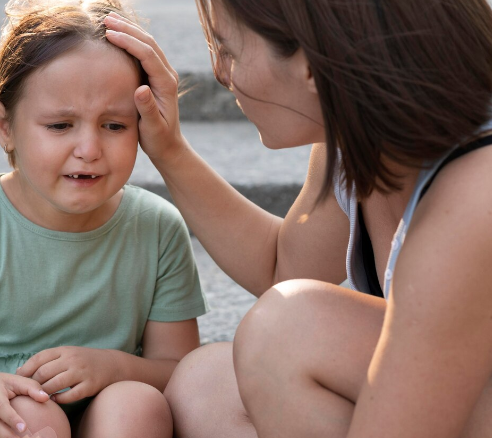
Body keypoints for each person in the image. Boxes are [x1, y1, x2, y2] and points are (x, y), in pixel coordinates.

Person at [105, 0, 492, 437]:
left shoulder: (475, 195)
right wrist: (168, 148)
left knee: (287, 333)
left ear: (310, 65)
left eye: (227, 49)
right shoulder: (357, 140)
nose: (217, 71)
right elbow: (283, 267)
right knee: (205, 386)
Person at [0, 1, 209, 437]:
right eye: (60, 126)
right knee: (27, 418)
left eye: (114, 126)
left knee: (139, 404)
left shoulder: (156, 227)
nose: (89, 149)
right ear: (6, 127)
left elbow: (180, 371)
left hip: (109, 411)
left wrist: (111, 366)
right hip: (15, 410)